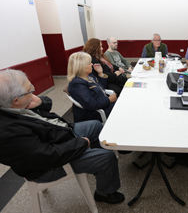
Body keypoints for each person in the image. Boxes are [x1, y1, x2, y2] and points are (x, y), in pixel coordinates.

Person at [0, 69, 124, 204]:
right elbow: (45, 156)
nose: (33, 92)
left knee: (95, 125)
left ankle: (95, 166)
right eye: (30, 90)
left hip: (58, 134)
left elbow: (46, 106)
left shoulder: (10, 104)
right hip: (49, 165)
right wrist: (81, 143)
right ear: (16, 100)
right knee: (106, 157)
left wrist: (40, 103)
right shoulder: (8, 132)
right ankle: (104, 193)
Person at [67, 52, 117, 123]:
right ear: (82, 66)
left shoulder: (89, 76)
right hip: (96, 113)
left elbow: (101, 89)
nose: (92, 64)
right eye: (89, 63)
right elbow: (92, 105)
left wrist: (100, 73)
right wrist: (109, 100)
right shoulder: (77, 84)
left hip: (103, 104)